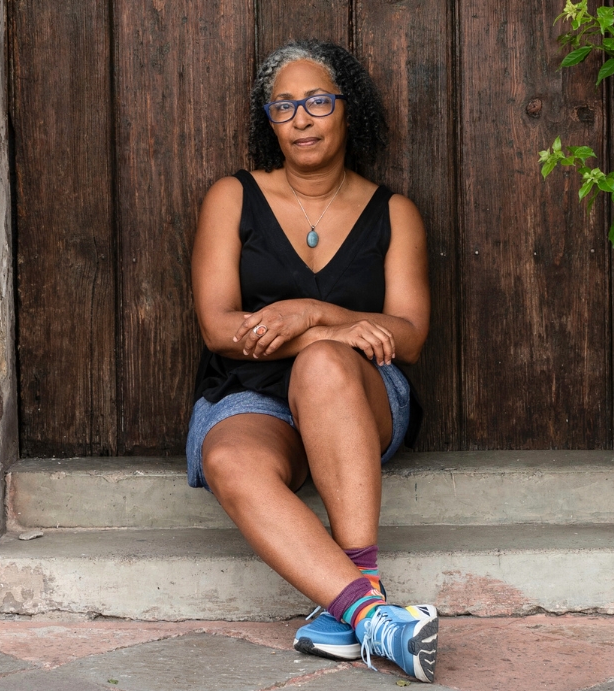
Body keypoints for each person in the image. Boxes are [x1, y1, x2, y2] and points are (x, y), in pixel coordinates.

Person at [187, 39, 436, 683]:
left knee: (325, 364)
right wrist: (336, 323)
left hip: (358, 394)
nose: (301, 118)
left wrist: (313, 316)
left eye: (318, 101)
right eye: (284, 106)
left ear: (348, 109)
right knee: (228, 459)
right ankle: (368, 615)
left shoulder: (394, 213)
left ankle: (360, 574)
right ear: (267, 122)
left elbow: (407, 337)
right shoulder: (233, 198)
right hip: (252, 388)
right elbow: (219, 328)